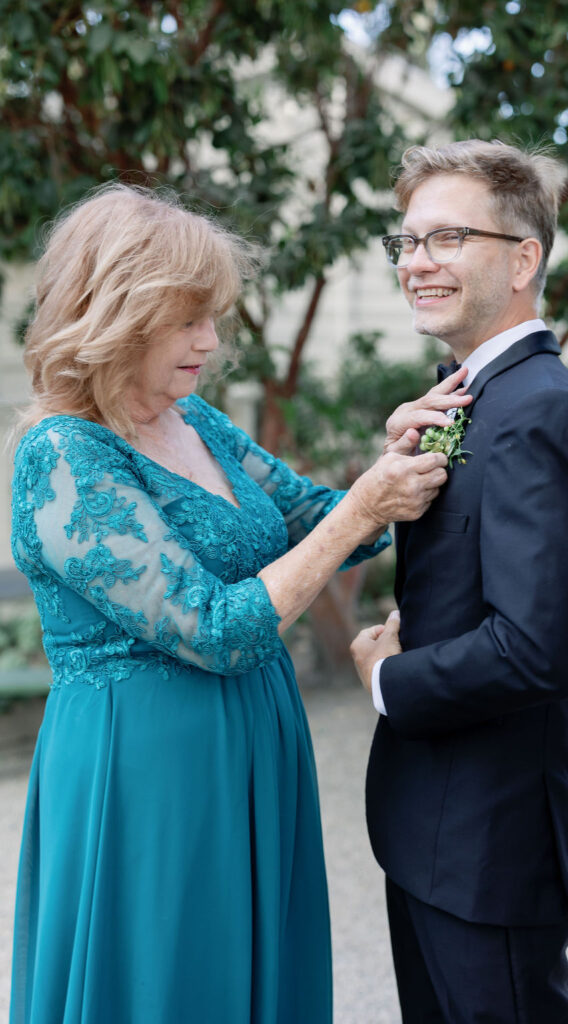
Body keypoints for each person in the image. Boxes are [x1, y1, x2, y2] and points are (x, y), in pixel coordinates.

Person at [8, 183, 451, 1024]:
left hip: (254, 741)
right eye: (186, 319)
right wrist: (364, 504)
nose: (209, 341)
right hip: (145, 775)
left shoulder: (197, 420)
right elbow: (214, 629)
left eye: (211, 317)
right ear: (114, 314)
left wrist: (392, 458)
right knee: (169, 985)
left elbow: (322, 523)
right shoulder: (62, 456)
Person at [351, 140, 568, 1023]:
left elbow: (534, 650)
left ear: (523, 258)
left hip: (488, 848)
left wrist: (388, 680)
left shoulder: (538, 409)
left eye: (448, 238)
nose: (417, 262)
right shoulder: (467, 398)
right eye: (408, 242)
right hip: (430, 832)